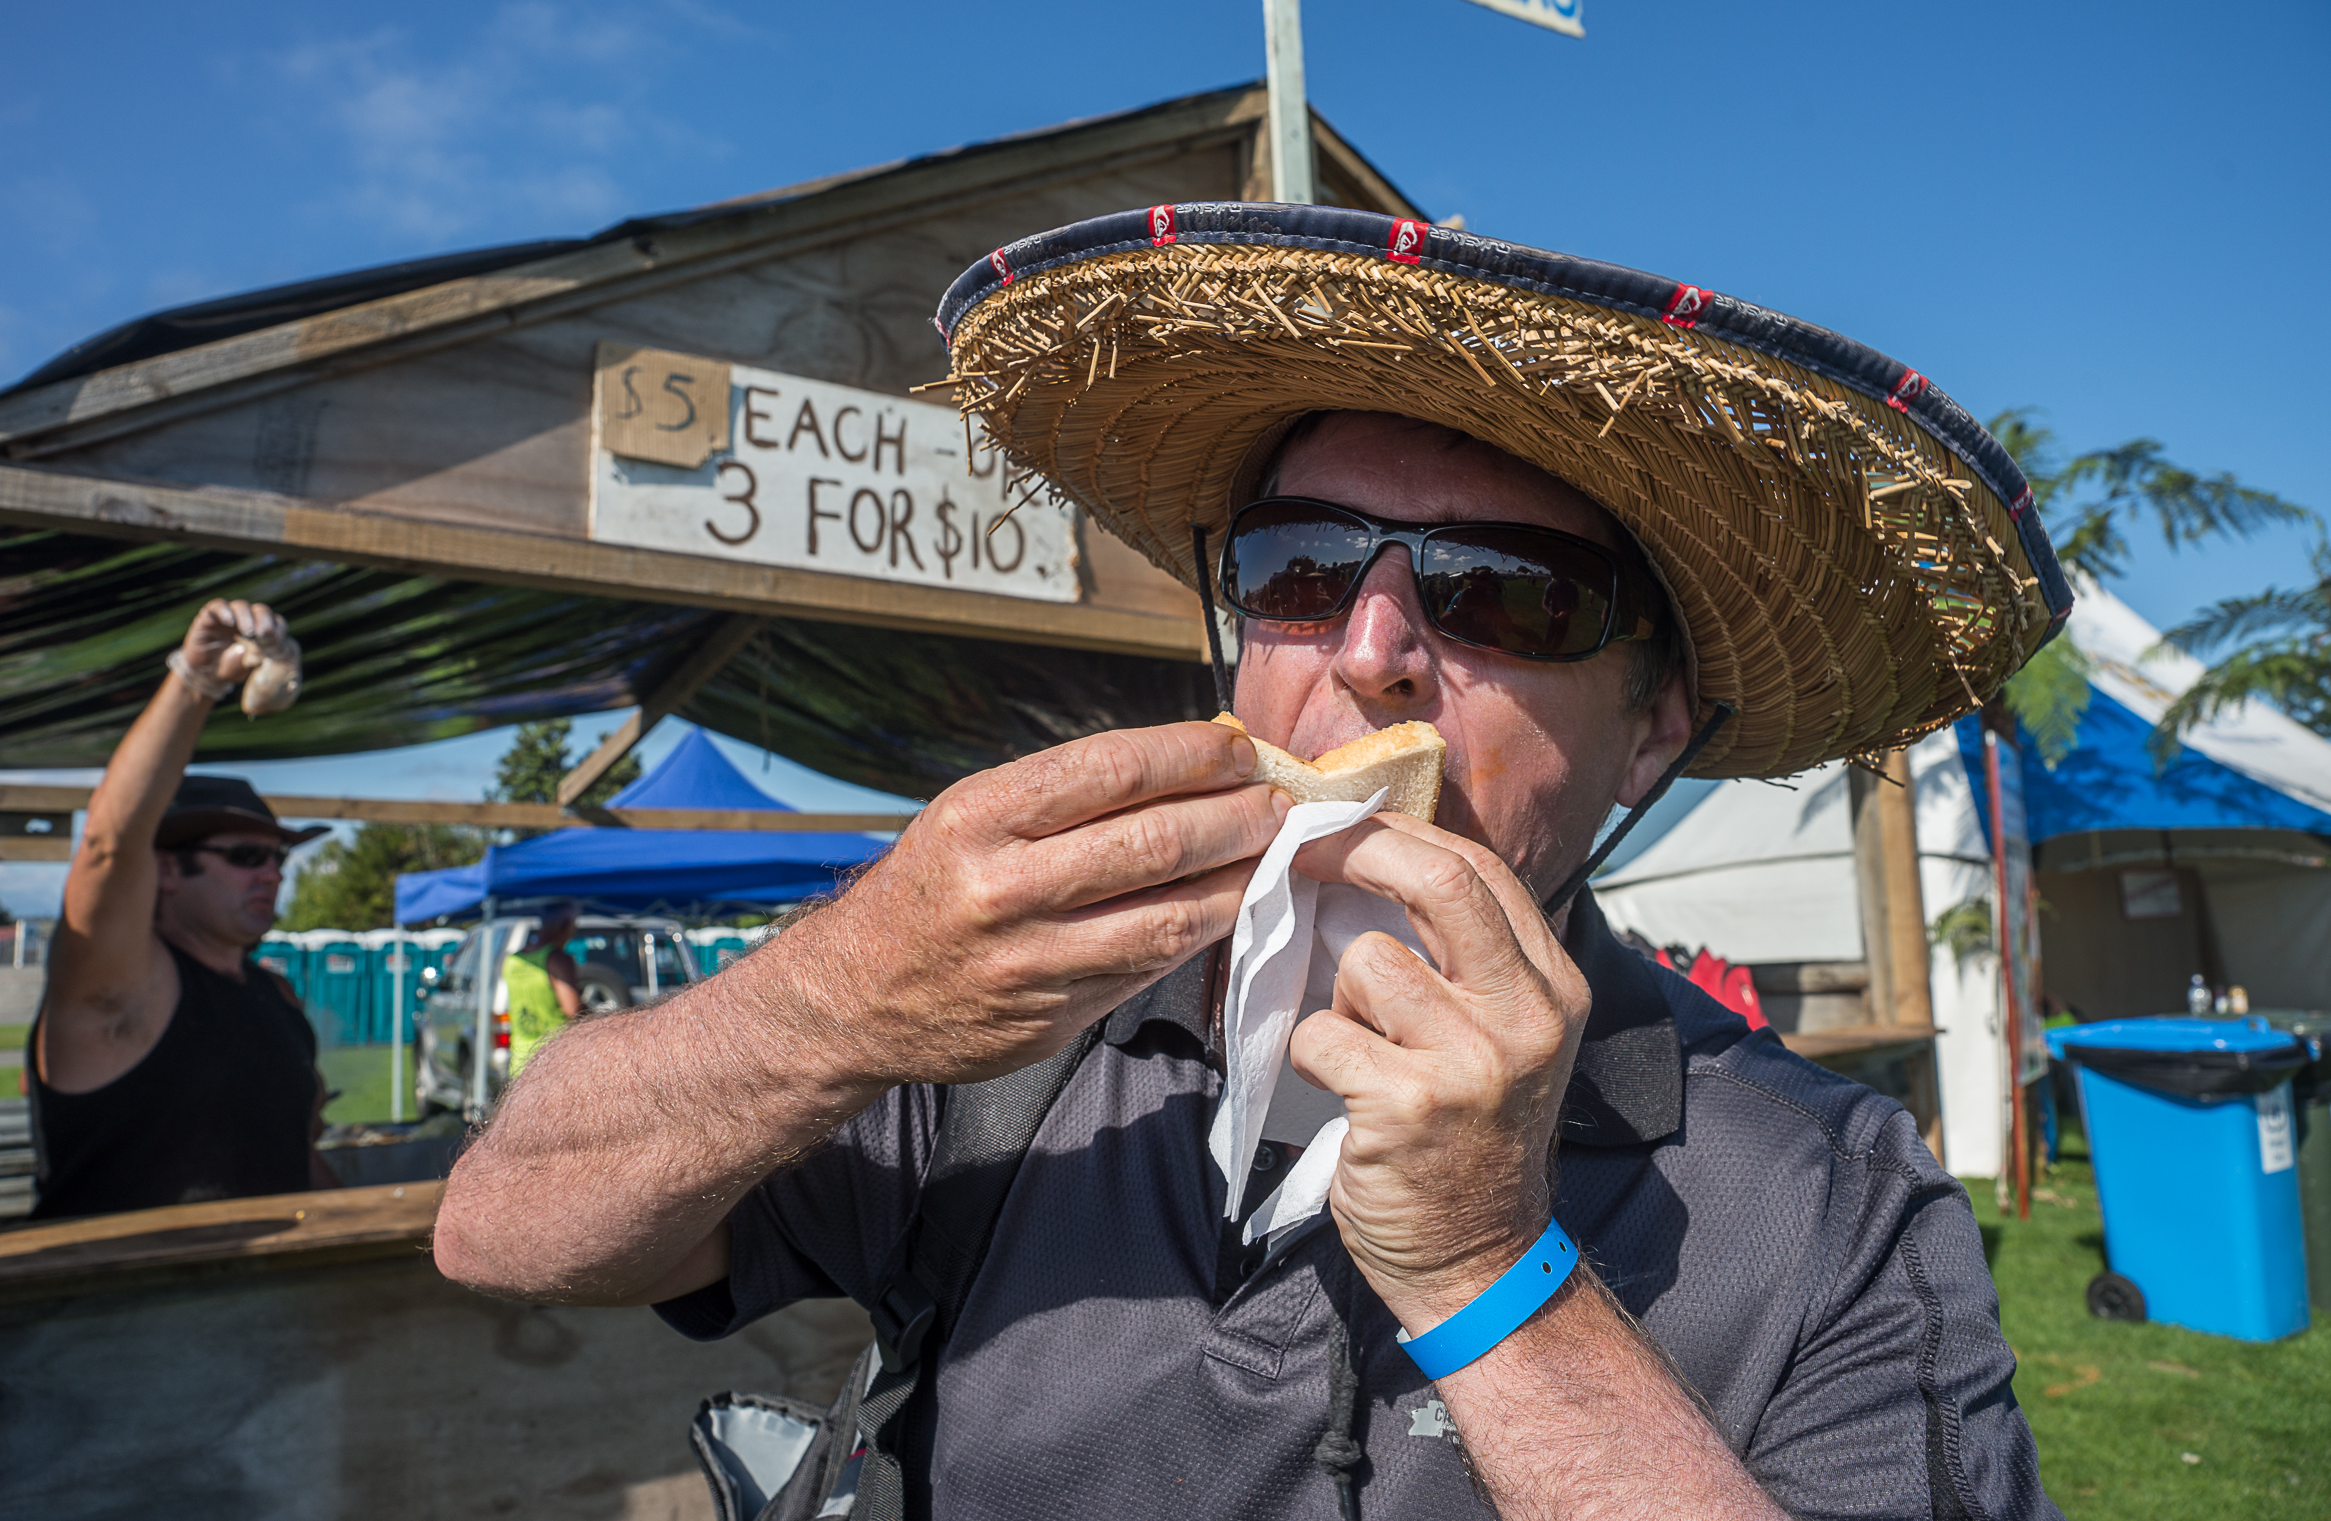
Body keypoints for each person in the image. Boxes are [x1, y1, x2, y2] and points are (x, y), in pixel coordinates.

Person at [435, 206, 2071, 1518]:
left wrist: (1494, 1273)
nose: (1370, 651)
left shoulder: (1835, 1206)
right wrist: (837, 1002)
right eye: (1302, 569)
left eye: (1506, 593)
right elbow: (503, 1230)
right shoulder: (1008, 1030)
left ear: (1652, 733)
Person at [32, 599, 334, 1218]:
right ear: (167, 869)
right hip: (114, 1308)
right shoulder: (119, 984)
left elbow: (296, 1159)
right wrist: (196, 682)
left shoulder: (275, 996)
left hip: (270, 1305)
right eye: (248, 855)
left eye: (280, 858)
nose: (273, 873)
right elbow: (111, 846)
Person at [503, 900, 585, 1069]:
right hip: (554, 1060)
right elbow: (574, 1011)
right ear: (566, 925)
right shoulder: (557, 959)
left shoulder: (513, 960)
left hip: (521, 1060)